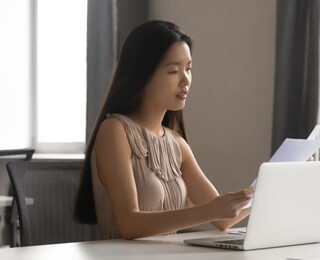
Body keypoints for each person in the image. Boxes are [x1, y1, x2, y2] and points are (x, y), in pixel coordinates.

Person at [74, 20, 254, 240]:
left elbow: (224, 219)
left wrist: (275, 187)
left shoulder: (176, 143)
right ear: (143, 74)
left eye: (188, 69)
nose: (185, 79)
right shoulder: (115, 131)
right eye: (173, 71)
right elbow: (129, 224)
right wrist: (210, 210)